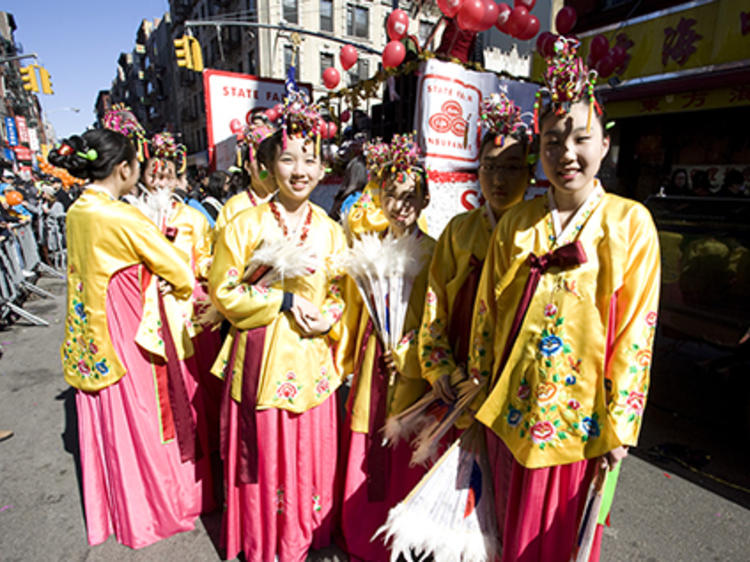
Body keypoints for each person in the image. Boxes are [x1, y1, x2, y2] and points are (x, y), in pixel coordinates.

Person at [467, 38, 661, 562]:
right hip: (509, 415)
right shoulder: (516, 222)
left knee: (561, 544)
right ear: (539, 152)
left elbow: (637, 329)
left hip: (583, 424)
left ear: (604, 144)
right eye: (552, 142)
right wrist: (477, 391)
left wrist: (621, 424)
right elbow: (488, 313)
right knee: (501, 537)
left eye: (580, 139)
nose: (566, 154)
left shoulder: (629, 223)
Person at [52, 129, 213, 549]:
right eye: (138, 165)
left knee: (110, 423)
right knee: (144, 419)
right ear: (124, 169)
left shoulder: (78, 211)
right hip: (127, 333)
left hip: (89, 335)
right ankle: (151, 509)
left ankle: (118, 508)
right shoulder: (122, 217)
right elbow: (177, 271)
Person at [208, 91, 347, 562]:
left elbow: (339, 295)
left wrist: (327, 315)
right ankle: (266, 542)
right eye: (288, 158)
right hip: (263, 362)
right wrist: (284, 300)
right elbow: (225, 294)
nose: (300, 169)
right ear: (269, 163)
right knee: (266, 459)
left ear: (323, 166)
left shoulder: (330, 228)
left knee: (310, 456)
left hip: (311, 363)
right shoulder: (242, 224)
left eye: (310, 158)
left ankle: (305, 536)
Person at [339, 133, 436, 562]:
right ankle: (363, 531)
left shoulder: (437, 251)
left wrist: (413, 351)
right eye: (393, 196)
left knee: (409, 439)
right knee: (368, 437)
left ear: (425, 198)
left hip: (416, 364)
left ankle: (409, 534)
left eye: (411, 196)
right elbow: (351, 311)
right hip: (372, 356)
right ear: (380, 198)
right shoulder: (369, 249)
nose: (402, 205)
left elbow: (441, 314)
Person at [420, 92, 533, 406]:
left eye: (511, 168)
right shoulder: (459, 230)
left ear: (529, 173)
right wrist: (438, 365)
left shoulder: (539, 232)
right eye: (489, 166)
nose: (498, 179)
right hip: (458, 375)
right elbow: (436, 300)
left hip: (515, 380)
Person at [213, 123, 276, 237]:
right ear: (247, 166)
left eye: (271, 161)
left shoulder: (289, 199)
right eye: (260, 162)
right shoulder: (234, 207)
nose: (265, 169)